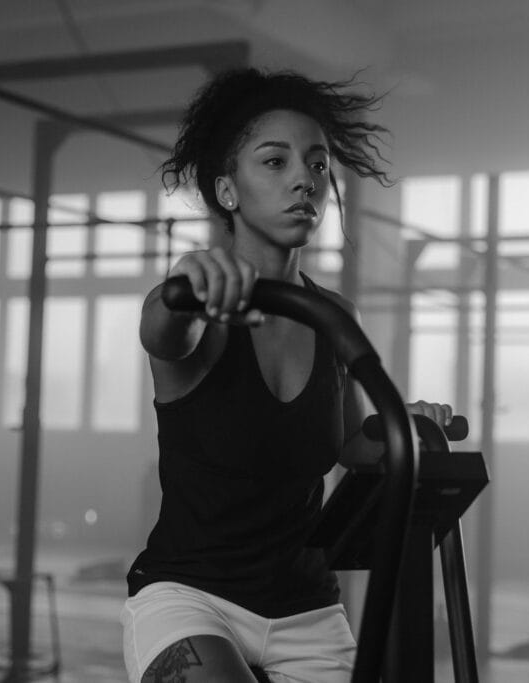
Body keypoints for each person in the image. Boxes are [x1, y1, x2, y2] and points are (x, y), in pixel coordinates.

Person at [122, 67, 454, 683]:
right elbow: (160, 332)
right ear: (228, 191)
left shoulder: (335, 317)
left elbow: (351, 445)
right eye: (274, 162)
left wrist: (396, 424)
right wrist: (183, 288)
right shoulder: (195, 304)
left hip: (307, 609)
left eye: (318, 165)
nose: (304, 178)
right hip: (193, 598)